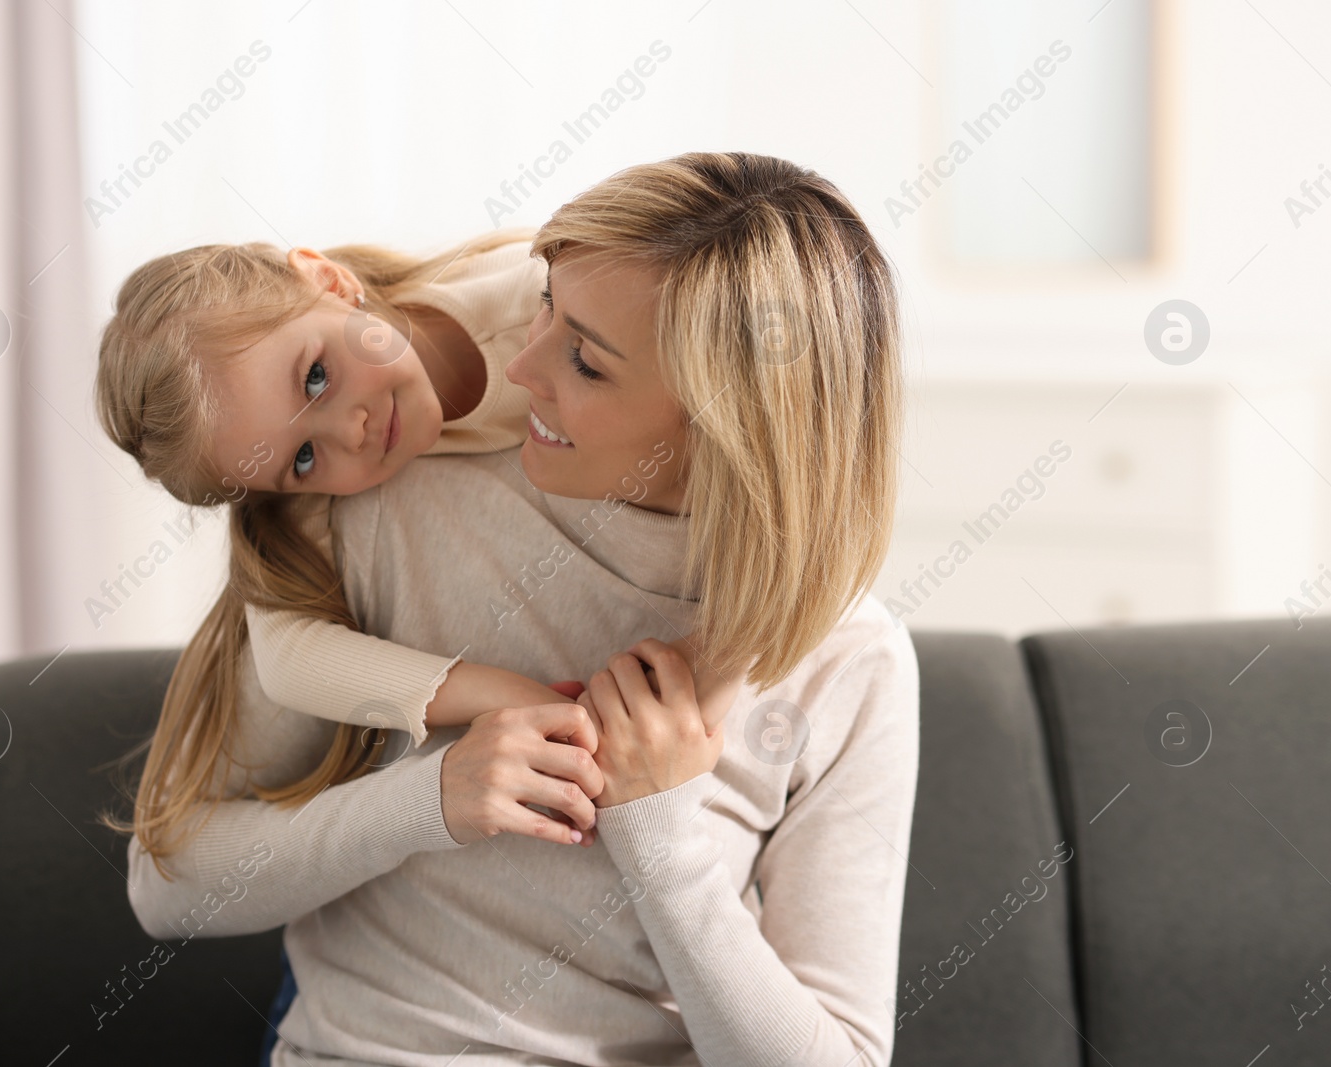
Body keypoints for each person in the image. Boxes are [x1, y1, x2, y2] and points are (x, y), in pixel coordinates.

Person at [120, 151, 918, 1067]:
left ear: (726, 418)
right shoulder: (374, 510)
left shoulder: (851, 661)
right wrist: (431, 797)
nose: (520, 365)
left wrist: (661, 837)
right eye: (545, 304)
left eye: (583, 357)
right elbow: (172, 881)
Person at [93, 229, 738, 875]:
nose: (351, 429)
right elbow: (286, 660)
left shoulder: (537, 299)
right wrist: (506, 695)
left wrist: (705, 689)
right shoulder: (327, 510)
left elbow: (788, 485)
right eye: (304, 456)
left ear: (329, 280)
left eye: (315, 376)